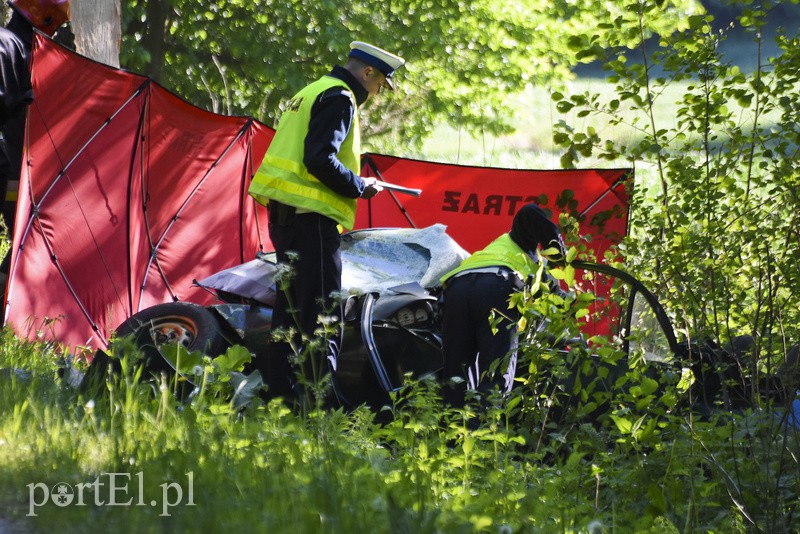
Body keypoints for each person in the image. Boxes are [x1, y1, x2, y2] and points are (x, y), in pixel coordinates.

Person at [248, 41, 405, 403]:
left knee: (288, 318)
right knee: (322, 317)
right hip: (311, 223)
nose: (377, 93)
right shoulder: (340, 97)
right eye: (380, 84)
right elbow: (319, 159)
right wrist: (358, 185)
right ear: (368, 73)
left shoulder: (311, 90)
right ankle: (318, 411)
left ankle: (281, 404)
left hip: (287, 219)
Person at [439, 203, 567, 407]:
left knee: (456, 376)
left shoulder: (506, 253)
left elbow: (558, 297)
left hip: (457, 288)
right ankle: (484, 436)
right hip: (496, 287)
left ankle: (454, 434)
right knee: (497, 374)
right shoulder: (522, 244)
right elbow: (528, 211)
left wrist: (572, 303)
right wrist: (558, 248)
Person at [0, 0, 70, 279]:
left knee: (24, 229)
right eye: (56, 27)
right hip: (7, 169)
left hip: (13, 170)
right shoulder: (10, 47)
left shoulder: (16, 48)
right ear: (47, 20)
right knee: (26, 227)